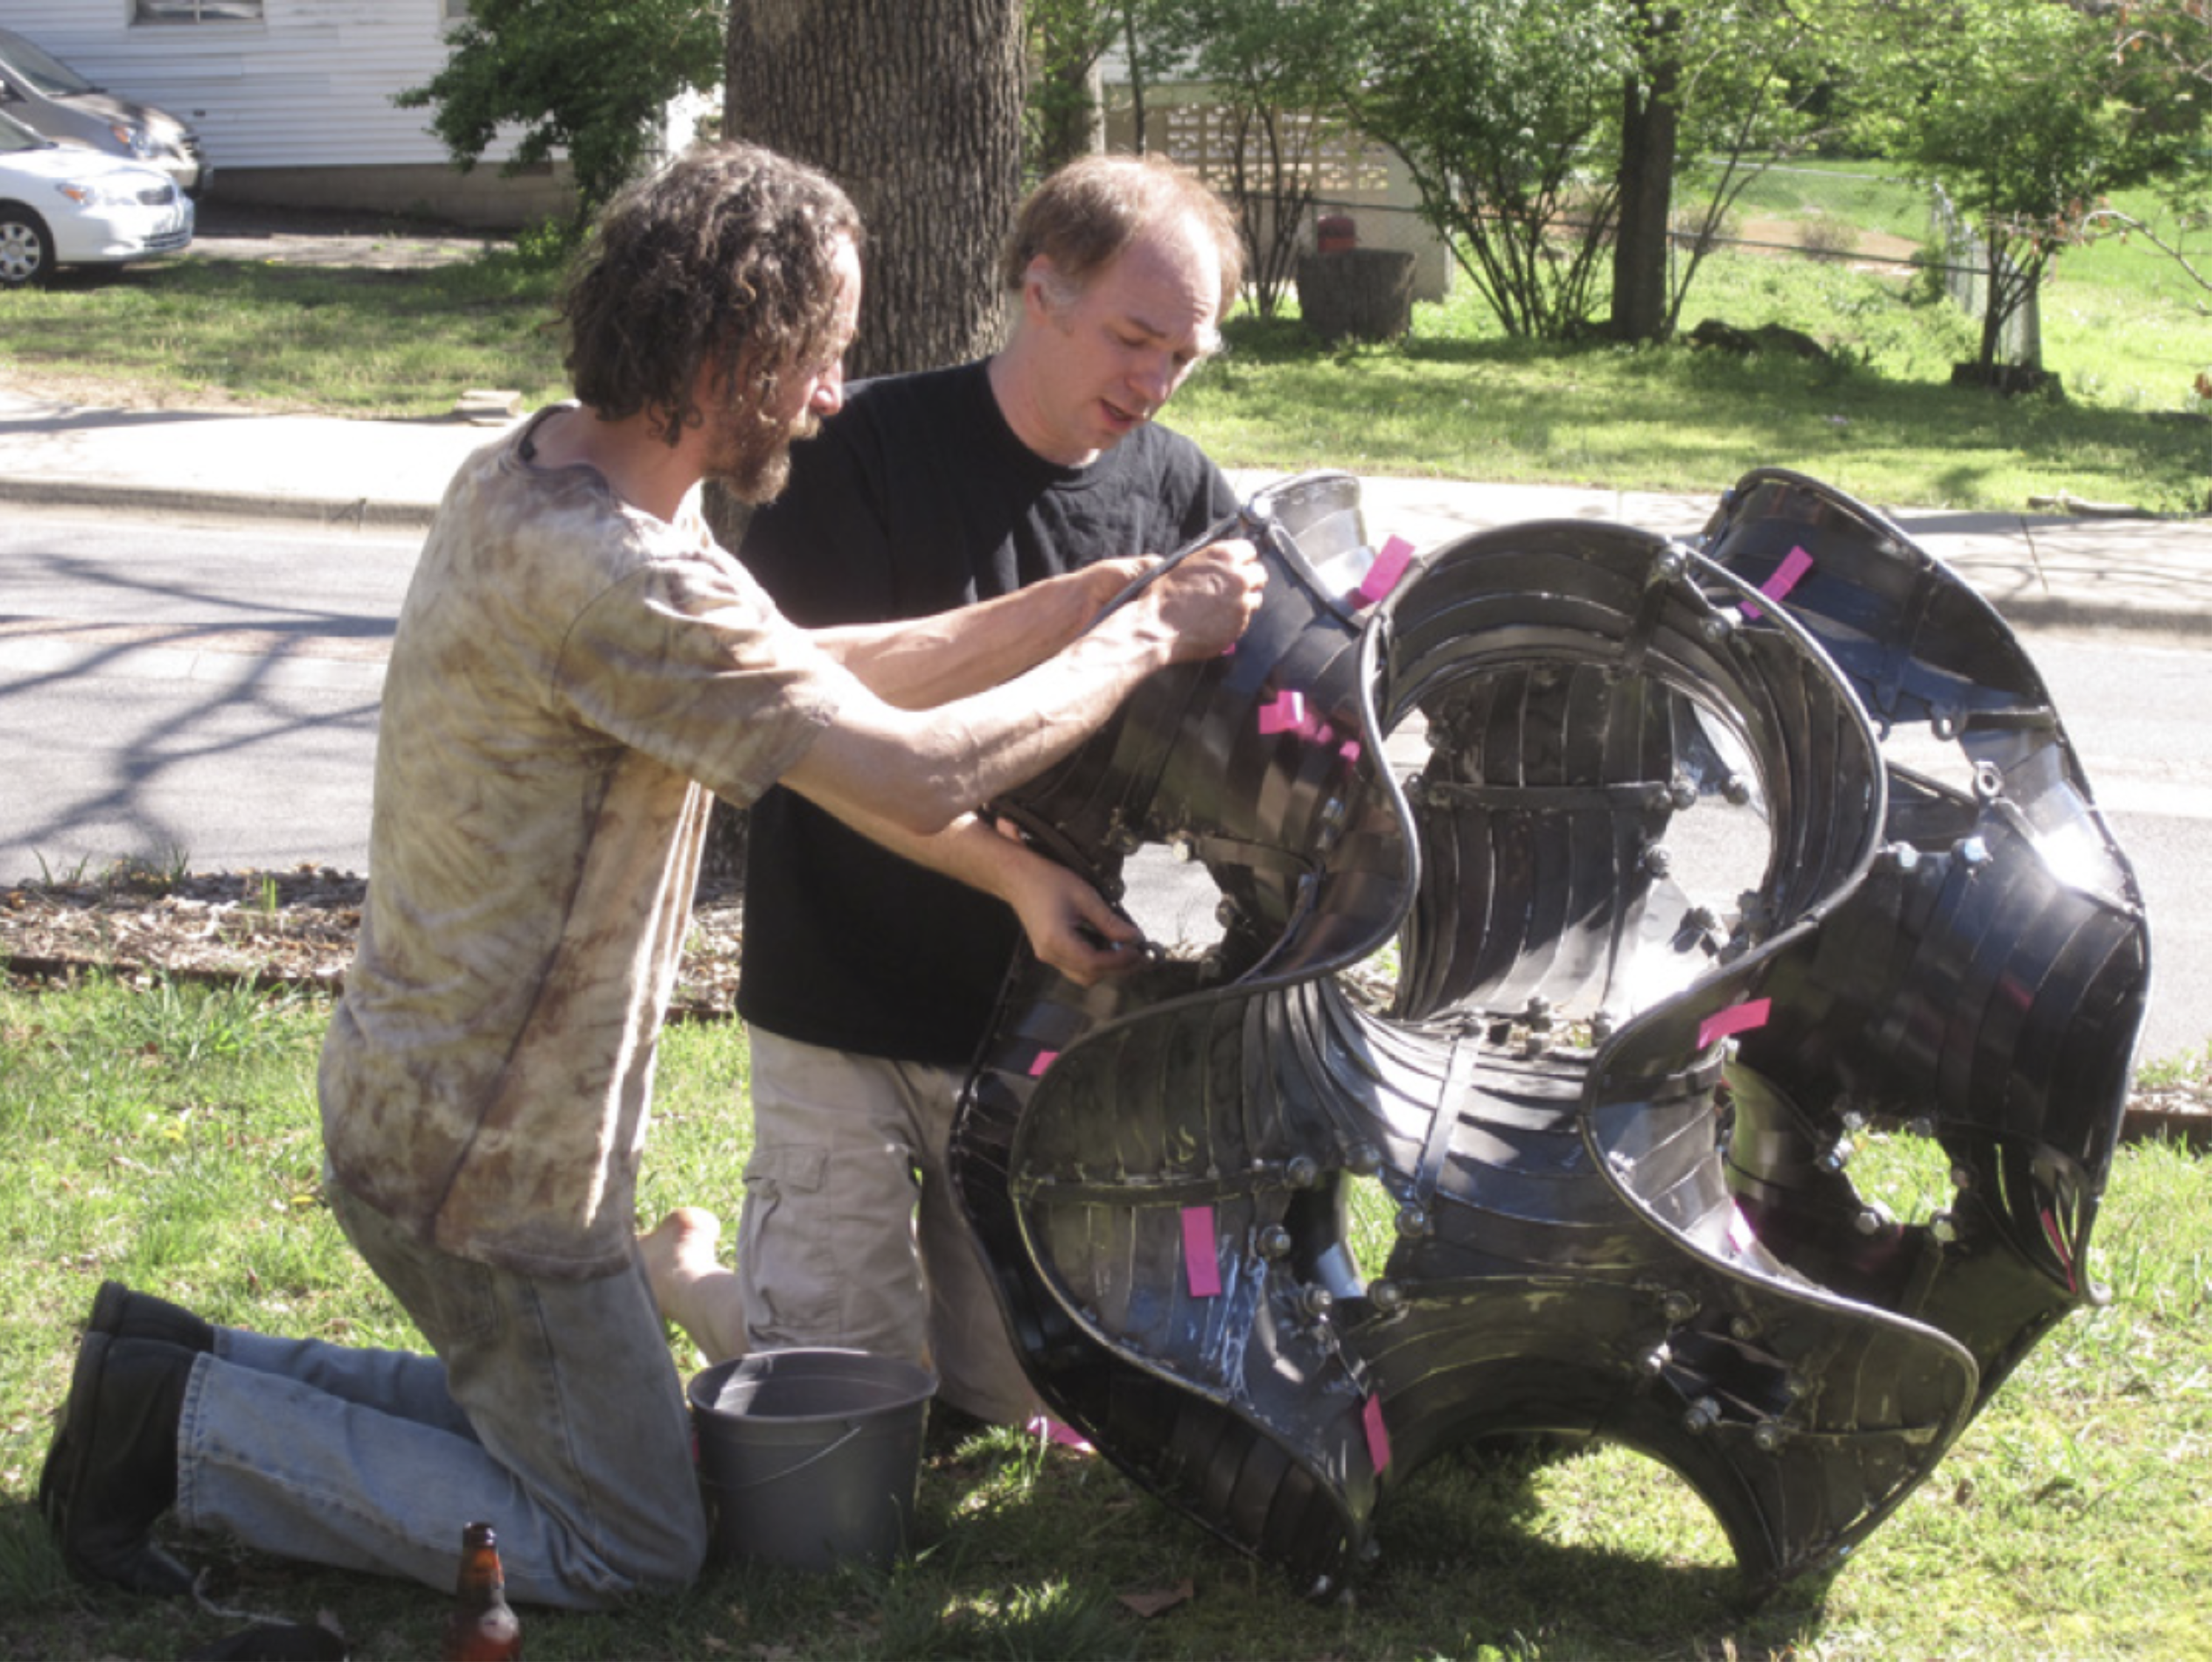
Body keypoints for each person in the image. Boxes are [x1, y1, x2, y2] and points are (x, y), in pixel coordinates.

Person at [38, 141, 1262, 1610]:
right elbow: (913, 771)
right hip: (488, 1165)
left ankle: (169, 1362)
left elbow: (792, 668)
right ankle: (183, 1430)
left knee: (583, 1442)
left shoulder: (552, 470)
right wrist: (1143, 638)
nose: (829, 396)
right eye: (818, 358)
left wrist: (1069, 602)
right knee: (631, 1541)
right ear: (739, 348)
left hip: (437, 1106)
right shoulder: (619, 571)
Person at [642, 153, 1247, 1430]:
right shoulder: (854, 451)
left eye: (1182, 356)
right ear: (1040, 289)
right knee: (848, 1414)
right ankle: (690, 1280)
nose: (1152, 382)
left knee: (1013, 1402)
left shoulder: (1180, 489)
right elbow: (798, 745)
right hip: (841, 997)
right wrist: (1022, 875)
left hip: (1025, 1029)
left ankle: (826, 1310)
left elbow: (1245, 740)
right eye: (1133, 338)